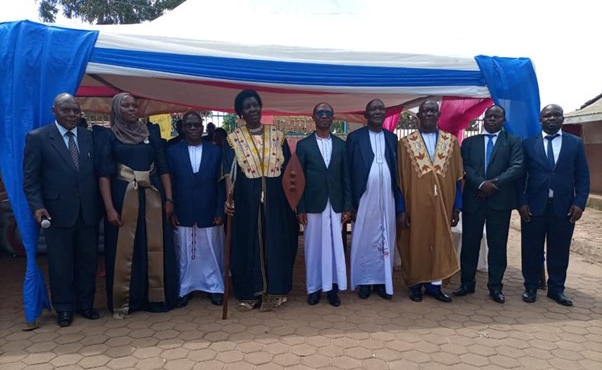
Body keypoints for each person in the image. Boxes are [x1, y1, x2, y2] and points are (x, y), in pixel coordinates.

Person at [97, 92, 179, 318]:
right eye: (126, 106)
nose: (132, 109)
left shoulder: (150, 132)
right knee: (127, 249)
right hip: (123, 197)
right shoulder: (108, 136)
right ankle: (127, 300)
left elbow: (163, 167)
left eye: (135, 105)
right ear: (116, 109)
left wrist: (169, 199)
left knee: (154, 245)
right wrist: (109, 208)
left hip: (152, 196)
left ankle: (157, 297)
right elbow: (104, 174)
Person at [23, 93, 101, 327]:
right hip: (56, 213)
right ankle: (64, 308)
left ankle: (85, 304)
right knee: (61, 264)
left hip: (88, 211)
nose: (72, 115)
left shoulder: (89, 137)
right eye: (66, 110)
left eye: (76, 110)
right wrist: (38, 206)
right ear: (53, 110)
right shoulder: (38, 138)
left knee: (88, 261)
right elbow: (30, 180)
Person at [223, 89, 298, 311]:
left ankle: (276, 290)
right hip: (246, 202)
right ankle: (250, 291)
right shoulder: (233, 140)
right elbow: (229, 172)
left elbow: (289, 172)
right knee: (248, 244)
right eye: (247, 107)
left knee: (276, 242)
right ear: (240, 113)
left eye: (255, 104)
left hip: (277, 202)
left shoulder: (277, 136)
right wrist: (229, 197)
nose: (253, 109)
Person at [518, 104, 590, 306]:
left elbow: (583, 175)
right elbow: (520, 176)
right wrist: (522, 202)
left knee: (559, 249)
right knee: (531, 248)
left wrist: (580, 203)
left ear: (562, 119)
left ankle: (556, 289)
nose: (552, 118)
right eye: (547, 115)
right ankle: (530, 286)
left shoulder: (575, 143)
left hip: (565, 207)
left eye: (556, 115)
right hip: (534, 206)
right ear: (540, 119)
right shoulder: (528, 144)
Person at [454, 105, 523, 303]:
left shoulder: (513, 142)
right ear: (483, 119)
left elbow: (517, 166)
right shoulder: (469, 142)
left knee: (498, 246)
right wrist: (482, 184)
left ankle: (495, 287)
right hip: (474, 200)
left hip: (499, 202)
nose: (492, 119)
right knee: (469, 245)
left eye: (497, 116)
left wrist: (495, 185)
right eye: (489, 116)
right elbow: (464, 166)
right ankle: (467, 283)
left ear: (503, 120)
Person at [397, 99, 463, 303]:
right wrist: (402, 209)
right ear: (418, 115)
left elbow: (458, 176)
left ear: (438, 115)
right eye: (424, 111)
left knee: (439, 241)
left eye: (432, 111)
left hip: (444, 203)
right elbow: (399, 179)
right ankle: (416, 284)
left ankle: (435, 285)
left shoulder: (450, 142)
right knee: (416, 242)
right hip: (415, 204)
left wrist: (457, 207)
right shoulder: (405, 144)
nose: (428, 114)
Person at [346, 99, 405, 300]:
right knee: (363, 239)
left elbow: (398, 172)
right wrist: (350, 204)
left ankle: (382, 282)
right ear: (366, 114)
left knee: (385, 239)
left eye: (381, 109)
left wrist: (399, 205)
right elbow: (347, 172)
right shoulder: (355, 138)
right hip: (364, 199)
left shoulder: (392, 138)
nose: (378, 112)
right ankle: (365, 281)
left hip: (387, 199)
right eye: (373, 109)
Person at [296, 102, 352, 307]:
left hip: (335, 205)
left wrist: (347, 205)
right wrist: (300, 208)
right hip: (312, 205)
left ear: (333, 118)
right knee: (313, 248)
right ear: (313, 117)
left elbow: (346, 177)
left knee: (336, 247)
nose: (324, 116)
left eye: (328, 113)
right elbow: (298, 180)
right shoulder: (304, 146)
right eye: (320, 112)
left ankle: (333, 289)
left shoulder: (341, 145)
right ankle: (314, 288)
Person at [167, 111, 226, 307]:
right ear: (182, 128)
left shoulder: (215, 151)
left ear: (203, 128)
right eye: (189, 125)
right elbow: (171, 182)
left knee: (211, 251)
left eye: (197, 125)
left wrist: (220, 210)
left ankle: (215, 288)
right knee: (184, 253)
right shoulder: (173, 151)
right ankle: (185, 289)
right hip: (183, 210)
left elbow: (220, 185)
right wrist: (173, 209)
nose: (193, 128)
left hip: (209, 210)